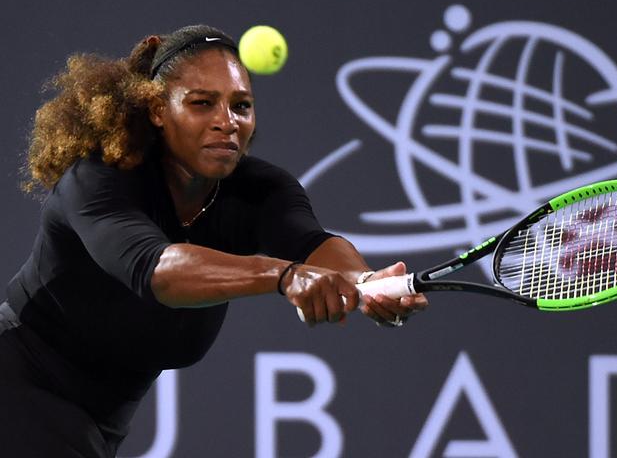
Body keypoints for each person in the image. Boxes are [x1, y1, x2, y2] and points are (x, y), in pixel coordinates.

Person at [0, 24, 428, 457]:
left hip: (102, 419)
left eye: (241, 106)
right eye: (202, 103)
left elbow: (311, 243)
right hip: (19, 381)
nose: (227, 122)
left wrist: (365, 281)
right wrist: (283, 276)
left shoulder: (261, 191)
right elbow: (156, 270)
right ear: (157, 111)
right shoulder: (98, 179)